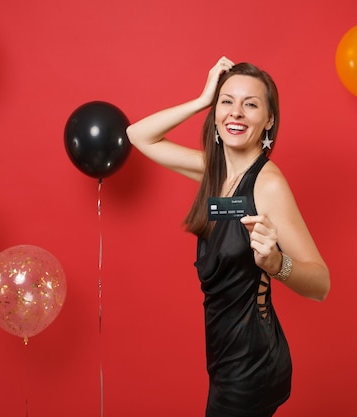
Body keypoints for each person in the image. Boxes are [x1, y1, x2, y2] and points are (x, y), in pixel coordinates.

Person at [126, 56, 330, 417]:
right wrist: (203, 99)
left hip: (252, 363)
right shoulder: (215, 172)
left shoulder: (268, 184)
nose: (236, 113)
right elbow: (138, 135)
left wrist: (275, 262)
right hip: (225, 356)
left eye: (250, 104)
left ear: (269, 120)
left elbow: (320, 284)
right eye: (227, 101)